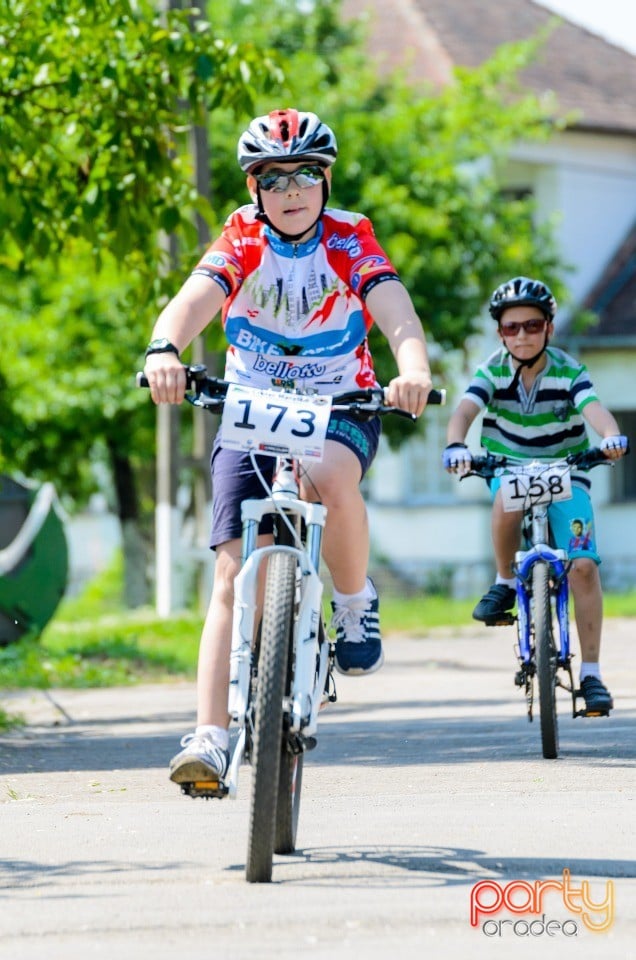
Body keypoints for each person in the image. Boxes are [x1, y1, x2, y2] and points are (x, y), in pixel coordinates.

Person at [144, 108, 433, 788]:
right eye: (273, 179)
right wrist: (165, 348)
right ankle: (211, 738)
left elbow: (394, 307)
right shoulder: (243, 238)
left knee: (332, 473)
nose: (291, 190)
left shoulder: (349, 236)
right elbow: (195, 297)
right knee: (228, 571)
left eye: (305, 174)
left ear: (326, 179)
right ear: (254, 190)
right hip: (252, 407)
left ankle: (356, 602)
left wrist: (412, 367)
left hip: (342, 404)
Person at [442, 276, 628, 715]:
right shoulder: (491, 370)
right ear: (499, 332)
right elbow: (465, 410)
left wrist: (612, 435)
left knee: (582, 566)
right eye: (511, 328)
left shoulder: (568, 370)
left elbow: (593, 410)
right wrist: (455, 444)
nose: (522, 335)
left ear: (549, 327)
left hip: (568, 473)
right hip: (508, 468)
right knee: (506, 498)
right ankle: (505, 580)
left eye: (532, 325)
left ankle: (593, 674)